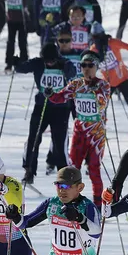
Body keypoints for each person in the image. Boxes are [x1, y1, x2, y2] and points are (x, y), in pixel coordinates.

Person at [46, 51, 111, 206]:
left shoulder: (103, 85)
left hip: (96, 135)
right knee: (72, 170)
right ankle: (71, 203)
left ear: (96, 67)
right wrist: (49, 94)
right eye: (83, 65)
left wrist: (94, 90)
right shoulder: (76, 84)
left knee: (94, 171)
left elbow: (102, 103)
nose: (86, 69)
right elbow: (60, 97)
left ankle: (97, 207)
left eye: (90, 65)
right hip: (80, 133)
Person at [14, 43, 76, 184]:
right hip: (42, 106)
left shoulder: (65, 63)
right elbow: (22, 68)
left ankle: (64, 174)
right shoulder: (38, 63)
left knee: (59, 142)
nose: (49, 62)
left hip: (61, 108)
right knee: (33, 139)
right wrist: (16, 63)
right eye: (47, 60)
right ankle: (29, 170)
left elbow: (73, 73)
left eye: (52, 60)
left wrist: (64, 67)